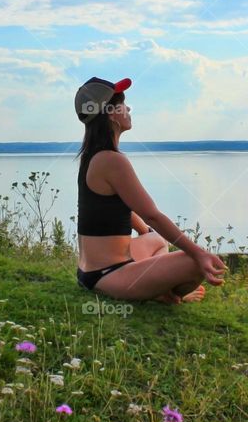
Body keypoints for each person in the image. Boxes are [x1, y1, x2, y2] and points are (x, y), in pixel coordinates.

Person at [73, 76, 228, 304]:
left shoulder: (92, 156)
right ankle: (171, 296)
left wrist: (145, 231)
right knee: (195, 262)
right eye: (123, 104)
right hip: (110, 276)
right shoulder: (112, 160)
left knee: (156, 240)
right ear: (111, 114)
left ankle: (160, 288)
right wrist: (198, 253)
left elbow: (123, 206)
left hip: (91, 272)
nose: (128, 109)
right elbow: (152, 214)